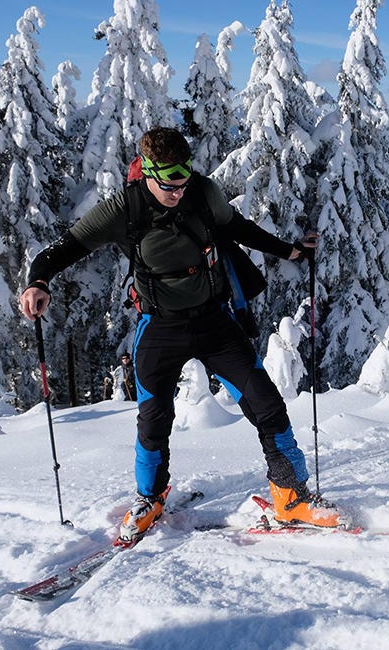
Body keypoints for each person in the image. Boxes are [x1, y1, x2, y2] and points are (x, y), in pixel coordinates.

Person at [18, 126, 347, 543]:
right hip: (159, 328)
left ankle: (292, 496)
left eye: (184, 182)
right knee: (153, 419)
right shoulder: (124, 208)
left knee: (265, 403)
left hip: (215, 323)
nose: (178, 192)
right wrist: (38, 282)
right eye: (169, 186)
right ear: (148, 175)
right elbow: (61, 250)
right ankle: (151, 498)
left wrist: (290, 250)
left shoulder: (202, 193)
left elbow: (239, 229)